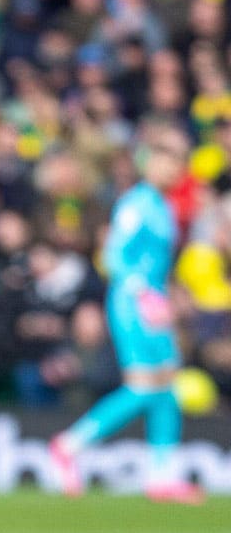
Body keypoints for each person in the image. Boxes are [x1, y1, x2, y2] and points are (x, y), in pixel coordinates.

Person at [49, 120, 204, 504]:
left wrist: (168, 294)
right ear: (150, 163)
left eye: (179, 162)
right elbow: (114, 255)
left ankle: (162, 476)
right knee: (144, 386)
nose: (174, 168)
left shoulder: (161, 206)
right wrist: (143, 294)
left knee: (166, 387)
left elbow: (153, 262)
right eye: (167, 160)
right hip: (134, 306)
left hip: (154, 304)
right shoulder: (137, 204)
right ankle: (68, 446)